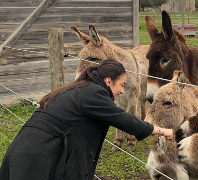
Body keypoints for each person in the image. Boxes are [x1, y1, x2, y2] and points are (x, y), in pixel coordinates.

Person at [0, 60, 173, 180]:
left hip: (31, 149)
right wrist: (162, 130)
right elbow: (124, 119)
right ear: (108, 81)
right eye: (121, 84)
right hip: (36, 156)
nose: (122, 90)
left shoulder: (82, 90)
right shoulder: (93, 94)